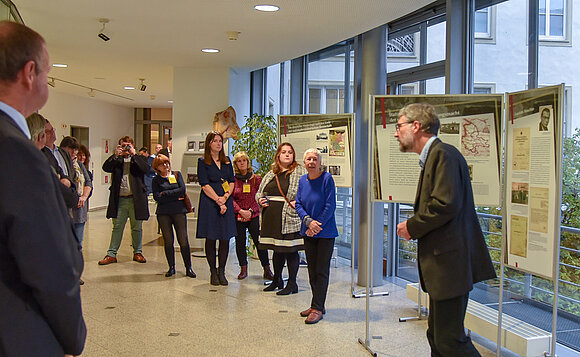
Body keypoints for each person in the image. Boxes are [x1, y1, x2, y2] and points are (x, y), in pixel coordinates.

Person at [0, 20, 86, 356]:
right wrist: (72, 335)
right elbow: (49, 263)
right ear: (29, 72)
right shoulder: (16, 151)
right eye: (48, 72)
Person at [394, 103, 496, 357]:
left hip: (450, 266)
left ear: (416, 126)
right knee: (437, 336)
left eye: (399, 126)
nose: (396, 133)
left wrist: (411, 226)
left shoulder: (444, 155)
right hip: (444, 267)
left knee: (450, 340)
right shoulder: (435, 156)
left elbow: (445, 204)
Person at [256, 142, 306, 295]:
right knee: (277, 250)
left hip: (289, 217)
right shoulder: (272, 172)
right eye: (283, 152)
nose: (287, 154)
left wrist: (298, 201)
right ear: (278, 155)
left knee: (291, 251)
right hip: (271, 217)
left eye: (290, 152)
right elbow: (259, 192)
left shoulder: (300, 171)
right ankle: (277, 280)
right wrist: (260, 200)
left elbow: (305, 191)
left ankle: (292, 283)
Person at [295, 148, 338, 324]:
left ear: (320, 163)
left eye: (315, 159)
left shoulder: (327, 179)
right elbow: (298, 203)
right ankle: (316, 304)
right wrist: (308, 222)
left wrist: (316, 224)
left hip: (325, 232)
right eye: (308, 159)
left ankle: (318, 308)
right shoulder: (302, 180)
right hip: (308, 230)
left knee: (321, 270)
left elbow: (330, 205)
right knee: (312, 270)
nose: (311, 162)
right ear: (304, 163)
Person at [98, 135, 150, 265]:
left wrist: (134, 155)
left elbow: (146, 169)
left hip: (135, 199)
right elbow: (106, 168)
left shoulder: (138, 159)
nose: (126, 148)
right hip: (120, 199)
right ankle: (111, 254)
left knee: (137, 227)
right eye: (123, 145)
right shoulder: (117, 160)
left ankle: (138, 252)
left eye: (128, 145)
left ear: (132, 146)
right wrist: (116, 155)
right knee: (117, 227)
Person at [196, 132, 235, 285]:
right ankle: (213, 271)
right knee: (211, 237)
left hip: (225, 200)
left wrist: (225, 198)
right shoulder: (202, 161)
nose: (218, 144)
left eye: (220, 141)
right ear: (209, 143)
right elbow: (204, 184)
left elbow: (231, 181)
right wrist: (218, 201)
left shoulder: (226, 161)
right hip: (210, 202)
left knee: (225, 238)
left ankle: (222, 271)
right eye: (215, 141)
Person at [152, 154, 196, 278]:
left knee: (183, 240)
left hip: (179, 211)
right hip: (163, 213)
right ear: (157, 167)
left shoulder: (177, 175)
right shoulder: (156, 180)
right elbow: (157, 197)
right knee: (168, 241)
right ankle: (171, 267)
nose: (165, 165)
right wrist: (174, 197)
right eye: (162, 164)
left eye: (166, 162)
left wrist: (165, 193)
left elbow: (182, 190)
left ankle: (188, 267)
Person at [232, 151, 274, 280]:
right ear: (236, 164)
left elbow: (261, 196)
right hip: (238, 216)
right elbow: (230, 198)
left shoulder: (256, 179)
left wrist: (250, 211)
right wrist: (240, 211)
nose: (242, 163)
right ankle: (243, 269)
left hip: (254, 215)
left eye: (244, 160)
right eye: (239, 161)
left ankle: (267, 269)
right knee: (240, 243)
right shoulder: (232, 180)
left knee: (259, 242)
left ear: (248, 162)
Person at [60, 136, 93, 251]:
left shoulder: (79, 165)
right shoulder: (60, 163)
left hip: (80, 209)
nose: (74, 152)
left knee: (78, 244)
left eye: (76, 149)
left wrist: (84, 196)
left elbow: (88, 182)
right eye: (71, 149)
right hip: (66, 208)